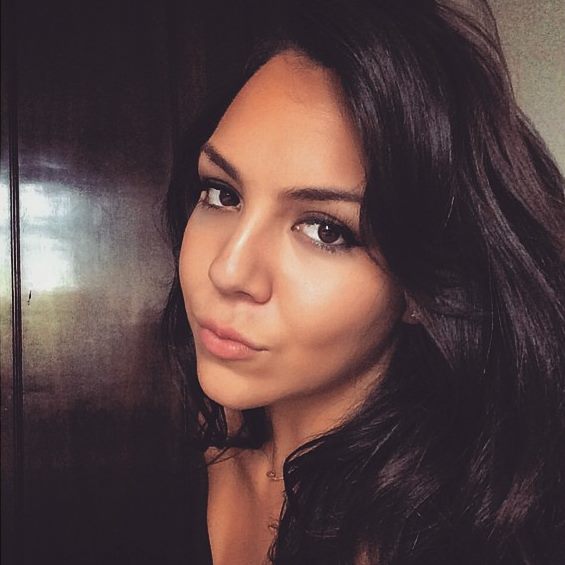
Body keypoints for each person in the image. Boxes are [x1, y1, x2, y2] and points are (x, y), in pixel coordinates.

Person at [162, 0, 565, 563]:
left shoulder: (458, 541)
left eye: (326, 230)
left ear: (423, 290)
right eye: (222, 194)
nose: (227, 271)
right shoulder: (205, 443)